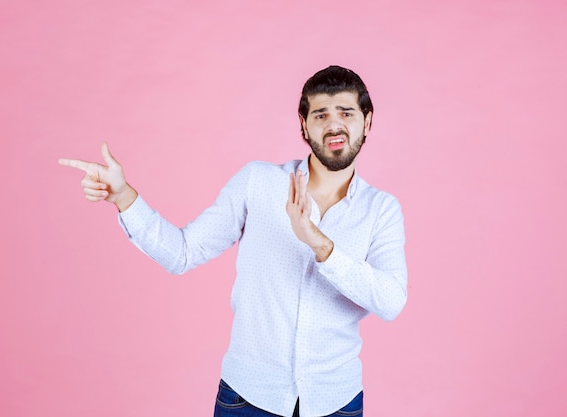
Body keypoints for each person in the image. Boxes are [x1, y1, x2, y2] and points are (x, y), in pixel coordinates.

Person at [59, 65, 407, 417]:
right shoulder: (257, 182)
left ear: (367, 120)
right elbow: (183, 252)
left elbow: (391, 301)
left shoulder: (382, 210)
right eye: (320, 115)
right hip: (247, 399)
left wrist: (321, 246)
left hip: (336, 403)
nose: (334, 125)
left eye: (346, 113)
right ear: (303, 126)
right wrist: (123, 197)